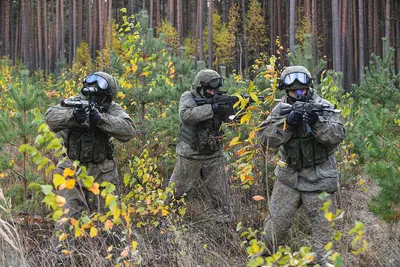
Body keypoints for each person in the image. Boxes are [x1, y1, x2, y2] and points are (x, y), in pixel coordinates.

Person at [258, 66, 346, 263]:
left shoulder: (323, 106)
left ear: (309, 87)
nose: (298, 94)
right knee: (271, 234)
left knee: (326, 244)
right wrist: (286, 123)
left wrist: (317, 123)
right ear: (285, 91)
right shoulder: (280, 109)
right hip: (288, 180)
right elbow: (265, 139)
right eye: (292, 91)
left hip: (320, 180)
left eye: (302, 90)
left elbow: (337, 135)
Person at [45, 71, 136, 245]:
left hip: (103, 174)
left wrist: (100, 119)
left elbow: (129, 130)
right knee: (67, 220)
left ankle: (118, 259)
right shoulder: (74, 103)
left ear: (106, 98)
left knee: (112, 224)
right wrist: (73, 117)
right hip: (71, 171)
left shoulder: (111, 108)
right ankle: (57, 260)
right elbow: (50, 117)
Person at [168, 69, 233, 223]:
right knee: (176, 193)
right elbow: (186, 116)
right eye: (209, 89)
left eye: (215, 89)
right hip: (190, 154)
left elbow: (232, 120)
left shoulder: (219, 98)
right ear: (200, 87)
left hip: (213, 155)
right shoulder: (188, 97)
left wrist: (232, 109)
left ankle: (223, 226)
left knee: (220, 195)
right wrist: (212, 108)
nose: (213, 92)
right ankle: (168, 222)